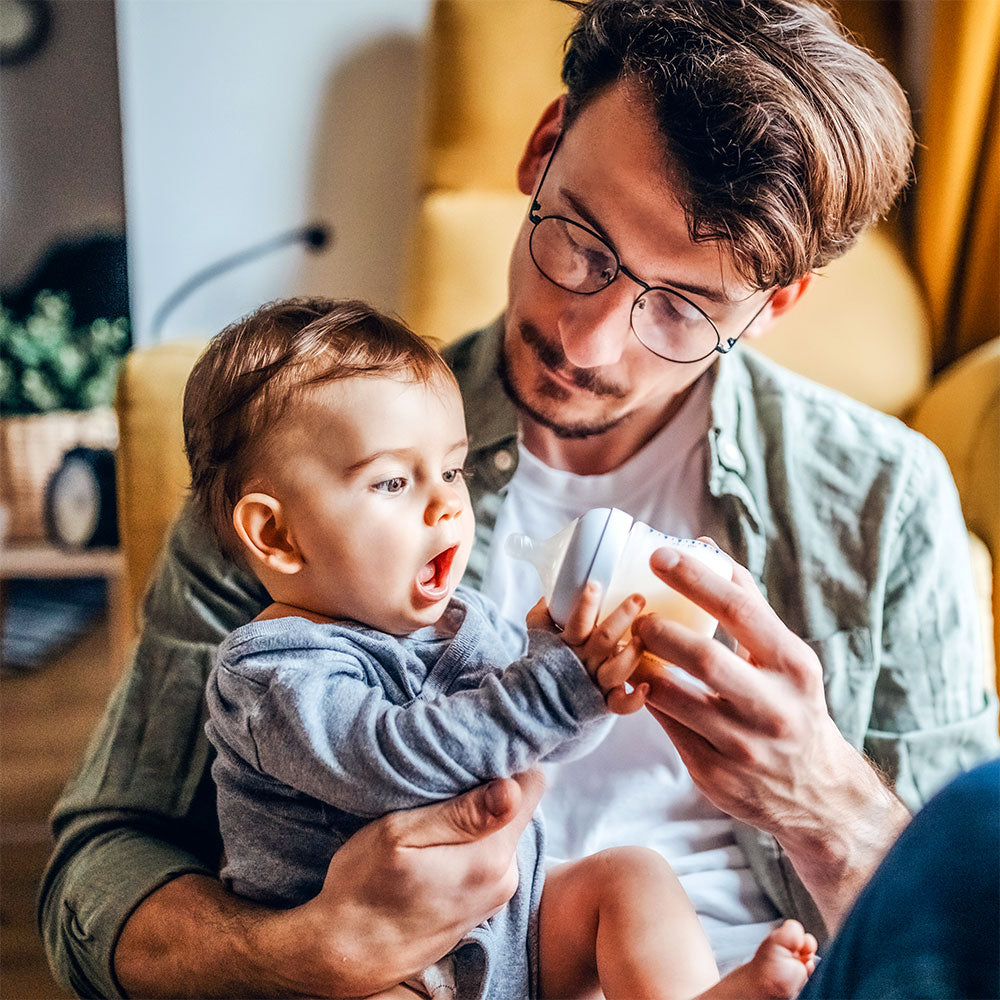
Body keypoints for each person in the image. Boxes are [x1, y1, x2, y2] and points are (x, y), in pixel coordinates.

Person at [39, 1, 998, 997]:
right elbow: (97, 872)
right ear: (543, 149)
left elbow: (975, 937)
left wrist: (823, 802)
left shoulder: (883, 498)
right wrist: (311, 951)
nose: (589, 342)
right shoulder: (307, 469)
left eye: (678, 307)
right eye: (582, 244)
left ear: (773, 306)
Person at [187, 296, 817, 1000]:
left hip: (512, 935)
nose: (447, 506)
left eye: (453, 470)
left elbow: (531, 739)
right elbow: (391, 761)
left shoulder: (462, 620)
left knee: (630, 877)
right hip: (368, 968)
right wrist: (557, 685)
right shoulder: (269, 674)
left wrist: (593, 676)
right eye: (394, 481)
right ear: (276, 536)